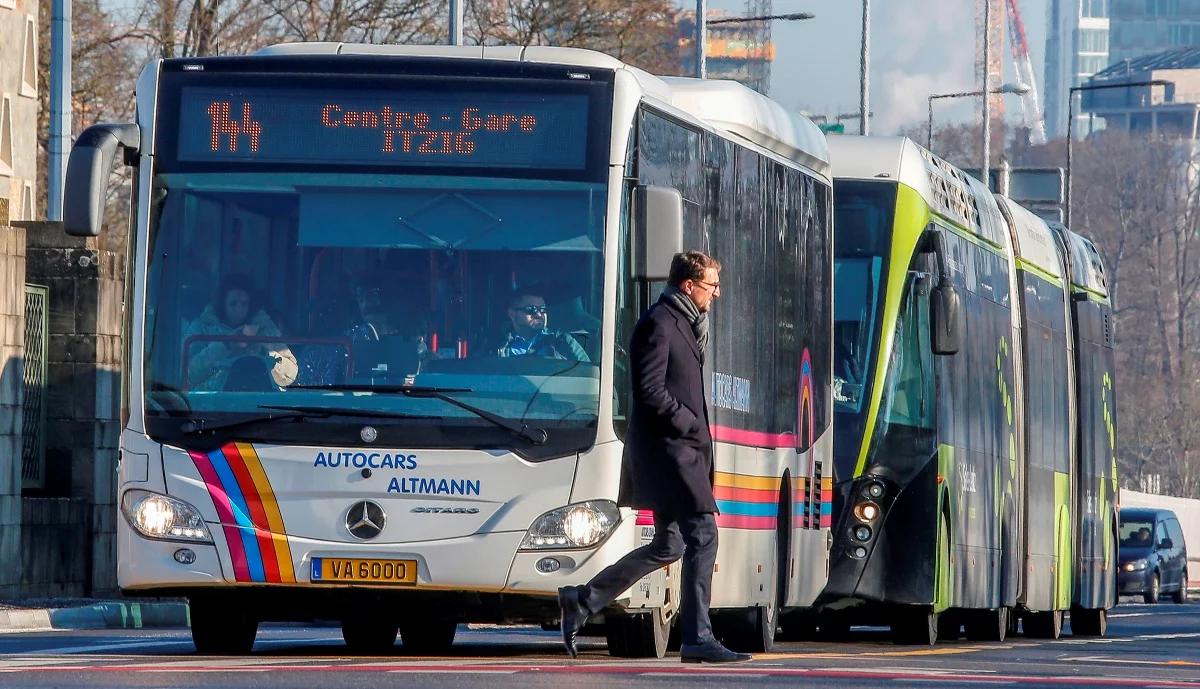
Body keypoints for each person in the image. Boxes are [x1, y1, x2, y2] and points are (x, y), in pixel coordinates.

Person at [557, 251, 750, 664]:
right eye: (711, 286)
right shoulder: (658, 325)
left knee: (670, 544)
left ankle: (582, 600)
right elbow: (648, 390)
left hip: (680, 452)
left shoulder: (684, 323)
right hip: (670, 453)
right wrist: (691, 423)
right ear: (688, 285)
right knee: (703, 535)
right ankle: (698, 638)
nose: (717, 294)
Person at [185, 274, 298, 391]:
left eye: (244, 304)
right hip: (215, 403)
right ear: (222, 304)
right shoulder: (202, 327)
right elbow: (189, 374)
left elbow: (291, 376)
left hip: (263, 402)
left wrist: (267, 352)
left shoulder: (266, 329)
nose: (239, 309)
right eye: (233, 304)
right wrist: (226, 345)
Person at [494, 290, 590, 362]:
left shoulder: (563, 341)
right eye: (531, 309)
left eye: (543, 309)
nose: (539, 315)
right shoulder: (494, 344)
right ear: (512, 314)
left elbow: (587, 373)